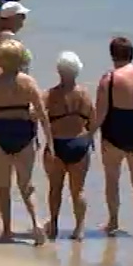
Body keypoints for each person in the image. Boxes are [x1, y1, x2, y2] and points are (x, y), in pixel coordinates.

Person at [0, 39, 52, 245]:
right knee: (26, 185)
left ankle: (7, 231)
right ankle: (36, 225)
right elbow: (42, 115)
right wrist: (49, 141)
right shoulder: (28, 82)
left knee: (4, 186)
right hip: (24, 133)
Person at [92, 36, 133, 241]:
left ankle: (113, 221)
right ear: (132, 54)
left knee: (112, 179)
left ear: (112, 55)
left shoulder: (109, 79)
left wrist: (88, 132)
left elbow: (101, 113)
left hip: (115, 134)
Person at [43, 51, 94, 240]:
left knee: (55, 188)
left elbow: (36, 113)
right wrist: (89, 137)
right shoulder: (84, 94)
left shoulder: (50, 94)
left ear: (59, 71)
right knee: (78, 190)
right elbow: (94, 119)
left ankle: (54, 224)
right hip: (79, 143)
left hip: (56, 144)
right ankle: (79, 228)